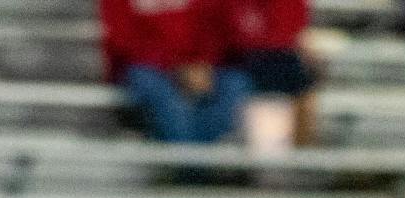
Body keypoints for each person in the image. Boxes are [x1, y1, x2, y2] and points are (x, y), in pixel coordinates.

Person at [100, 0, 253, 145]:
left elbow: (219, 27)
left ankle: (189, 162)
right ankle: (194, 164)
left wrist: (202, 61)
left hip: (203, 66)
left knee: (236, 82)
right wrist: (175, 67)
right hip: (146, 68)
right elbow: (122, 41)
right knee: (151, 85)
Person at [227, 0, 319, 151]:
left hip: (274, 61)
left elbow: (290, 36)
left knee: (301, 85)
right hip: (238, 62)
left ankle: (300, 154)